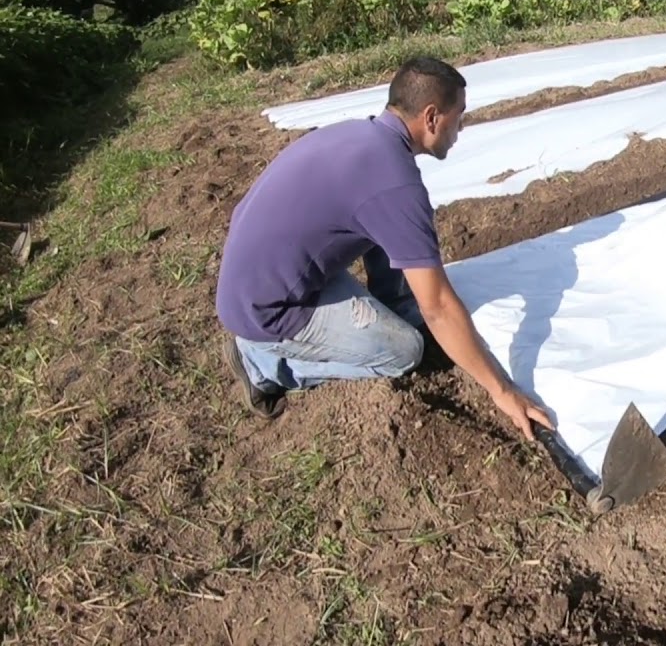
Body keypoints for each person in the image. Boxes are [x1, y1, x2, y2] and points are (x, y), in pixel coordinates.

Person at [214, 55, 555, 441]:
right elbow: (438, 308)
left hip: (262, 277)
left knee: (388, 245)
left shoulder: (361, 137)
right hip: (269, 309)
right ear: (431, 117)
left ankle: (388, 305)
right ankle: (259, 363)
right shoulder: (395, 184)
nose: (461, 127)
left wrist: (395, 302)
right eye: (458, 115)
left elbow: (379, 228)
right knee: (404, 350)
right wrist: (502, 390)